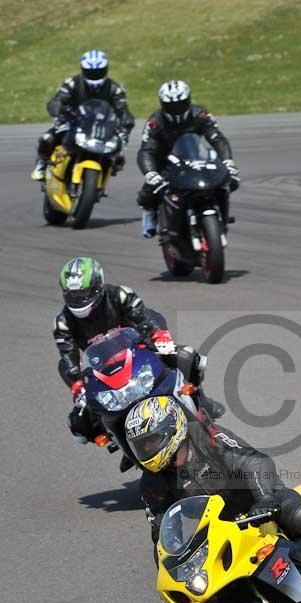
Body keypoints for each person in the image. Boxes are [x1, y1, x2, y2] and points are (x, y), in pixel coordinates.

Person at [125, 395, 301, 583]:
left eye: (152, 440)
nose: (148, 450)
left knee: (299, 516)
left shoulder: (204, 435)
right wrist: (171, 569)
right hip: (223, 533)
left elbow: (252, 460)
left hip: (260, 502)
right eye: (142, 445)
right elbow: (161, 532)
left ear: (173, 428)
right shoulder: (152, 484)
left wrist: (264, 498)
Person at [53, 257, 224, 466]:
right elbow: (67, 357)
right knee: (79, 423)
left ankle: (201, 399)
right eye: (71, 294)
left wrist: (159, 335)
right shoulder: (63, 322)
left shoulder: (119, 295)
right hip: (103, 372)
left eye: (82, 293)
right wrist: (77, 385)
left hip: (138, 353)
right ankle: (123, 444)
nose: (77, 299)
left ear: (97, 286)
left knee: (186, 356)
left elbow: (145, 316)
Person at [136, 80, 240, 238]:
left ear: (189, 101)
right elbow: (146, 150)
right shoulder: (155, 122)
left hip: (194, 157)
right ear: (162, 104)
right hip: (165, 162)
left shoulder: (200, 114)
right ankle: (149, 214)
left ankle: (221, 216)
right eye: (171, 106)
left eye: (180, 104)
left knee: (226, 182)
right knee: (149, 192)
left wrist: (228, 163)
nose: (176, 110)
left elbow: (218, 139)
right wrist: (151, 173)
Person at [31, 50, 135, 181]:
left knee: (118, 155)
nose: (94, 76)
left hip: (101, 125)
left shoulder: (114, 89)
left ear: (106, 70)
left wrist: (126, 122)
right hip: (73, 120)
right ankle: (41, 164)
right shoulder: (73, 83)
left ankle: (102, 176)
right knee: (47, 139)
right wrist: (58, 109)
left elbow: (123, 109)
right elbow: (57, 99)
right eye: (91, 73)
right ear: (83, 70)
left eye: (98, 72)